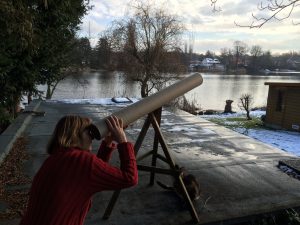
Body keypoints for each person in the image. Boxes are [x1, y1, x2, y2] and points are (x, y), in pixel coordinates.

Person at [20, 115, 138, 225]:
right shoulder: (80, 161)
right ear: (75, 135)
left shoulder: (57, 158)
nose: (92, 135)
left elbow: (90, 176)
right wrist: (123, 141)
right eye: (88, 131)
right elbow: (130, 178)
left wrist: (107, 142)